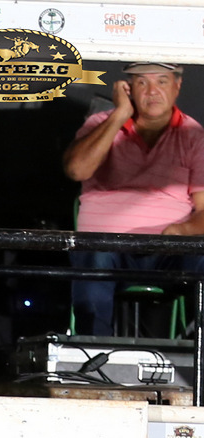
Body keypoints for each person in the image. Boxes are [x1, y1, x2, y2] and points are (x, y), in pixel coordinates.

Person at [63, 62, 204, 336]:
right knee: (96, 255)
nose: (152, 91)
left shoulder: (193, 134)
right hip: (106, 247)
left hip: (168, 251)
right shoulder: (100, 123)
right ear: (128, 89)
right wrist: (119, 115)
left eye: (161, 81)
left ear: (177, 86)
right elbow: (76, 170)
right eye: (142, 82)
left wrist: (182, 230)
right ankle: (93, 354)